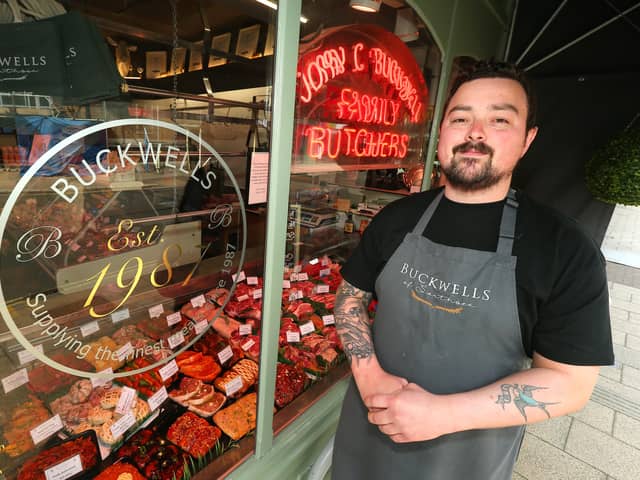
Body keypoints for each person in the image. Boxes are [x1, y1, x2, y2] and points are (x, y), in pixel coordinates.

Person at [331, 59, 614, 480]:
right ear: (442, 132)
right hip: (366, 436)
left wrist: (444, 413)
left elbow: (570, 384)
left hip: (467, 459)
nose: (475, 132)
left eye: (499, 119)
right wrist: (369, 377)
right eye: (460, 118)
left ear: (527, 140)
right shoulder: (396, 218)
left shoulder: (564, 249)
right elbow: (350, 297)